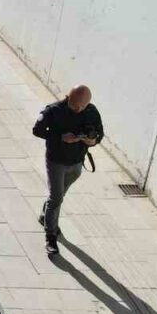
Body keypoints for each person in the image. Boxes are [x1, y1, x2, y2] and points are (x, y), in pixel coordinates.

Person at [32, 85, 103, 255]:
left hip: (77, 163)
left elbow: (100, 134)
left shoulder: (92, 112)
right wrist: (60, 137)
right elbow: (37, 130)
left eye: (81, 106)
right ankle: (51, 236)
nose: (76, 109)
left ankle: (45, 215)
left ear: (87, 104)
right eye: (73, 104)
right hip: (56, 161)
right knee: (56, 197)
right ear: (67, 97)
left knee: (58, 195)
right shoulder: (53, 110)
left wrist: (92, 141)